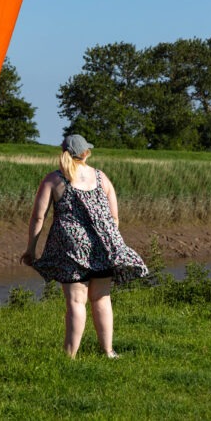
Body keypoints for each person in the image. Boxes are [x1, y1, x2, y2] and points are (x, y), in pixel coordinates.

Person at [20, 134, 148, 359]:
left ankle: (69, 356)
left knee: (76, 302)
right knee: (101, 298)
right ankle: (108, 351)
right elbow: (114, 218)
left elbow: (38, 218)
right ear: (86, 153)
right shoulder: (100, 177)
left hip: (71, 247)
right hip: (101, 245)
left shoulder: (54, 180)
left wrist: (31, 249)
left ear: (63, 152)